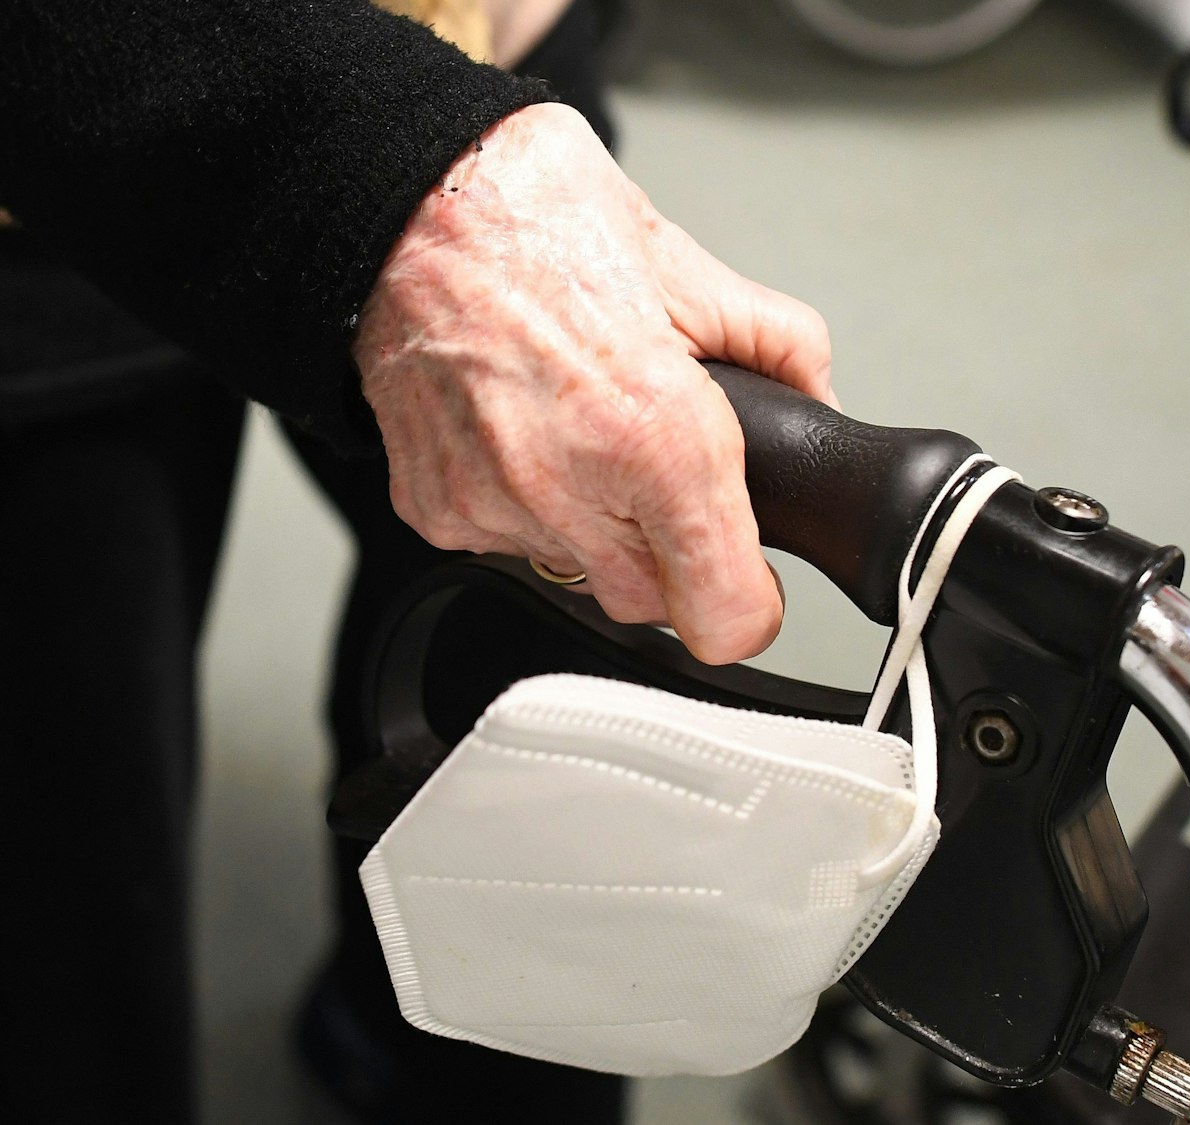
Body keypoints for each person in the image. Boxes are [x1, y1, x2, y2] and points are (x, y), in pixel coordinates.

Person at [2, 1, 830, 1122]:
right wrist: (400, 185)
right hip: (38, 189)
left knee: (547, 752)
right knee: (66, 873)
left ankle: (408, 1046)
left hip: (483, 62)